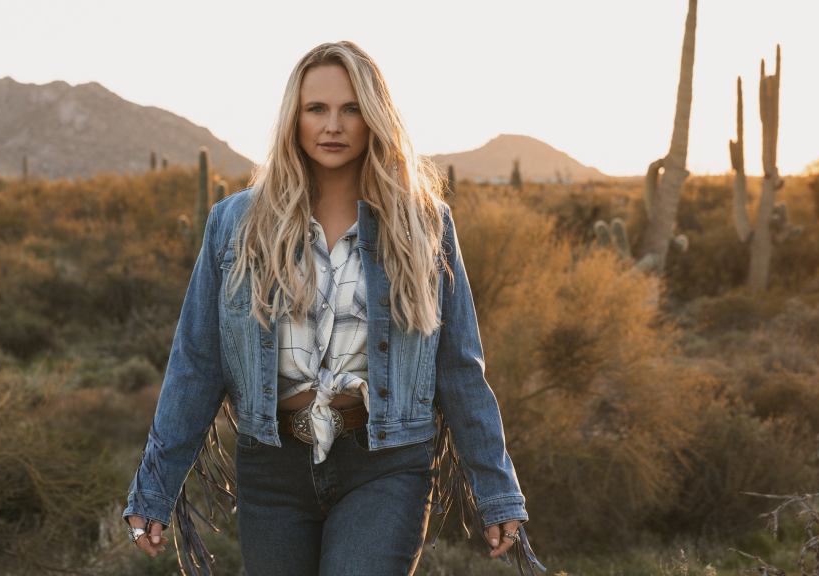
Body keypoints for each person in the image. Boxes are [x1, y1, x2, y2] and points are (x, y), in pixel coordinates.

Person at [122, 40, 544, 575]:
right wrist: (155, 487)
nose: (333, 126)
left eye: (351, 109)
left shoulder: (423, 224)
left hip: (385, 463)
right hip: (272, 466)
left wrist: (496, 489)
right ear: (294, 118)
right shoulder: (235, 224)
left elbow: (459, 366)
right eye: (316, 109)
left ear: (374, 118)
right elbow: (197, 361)